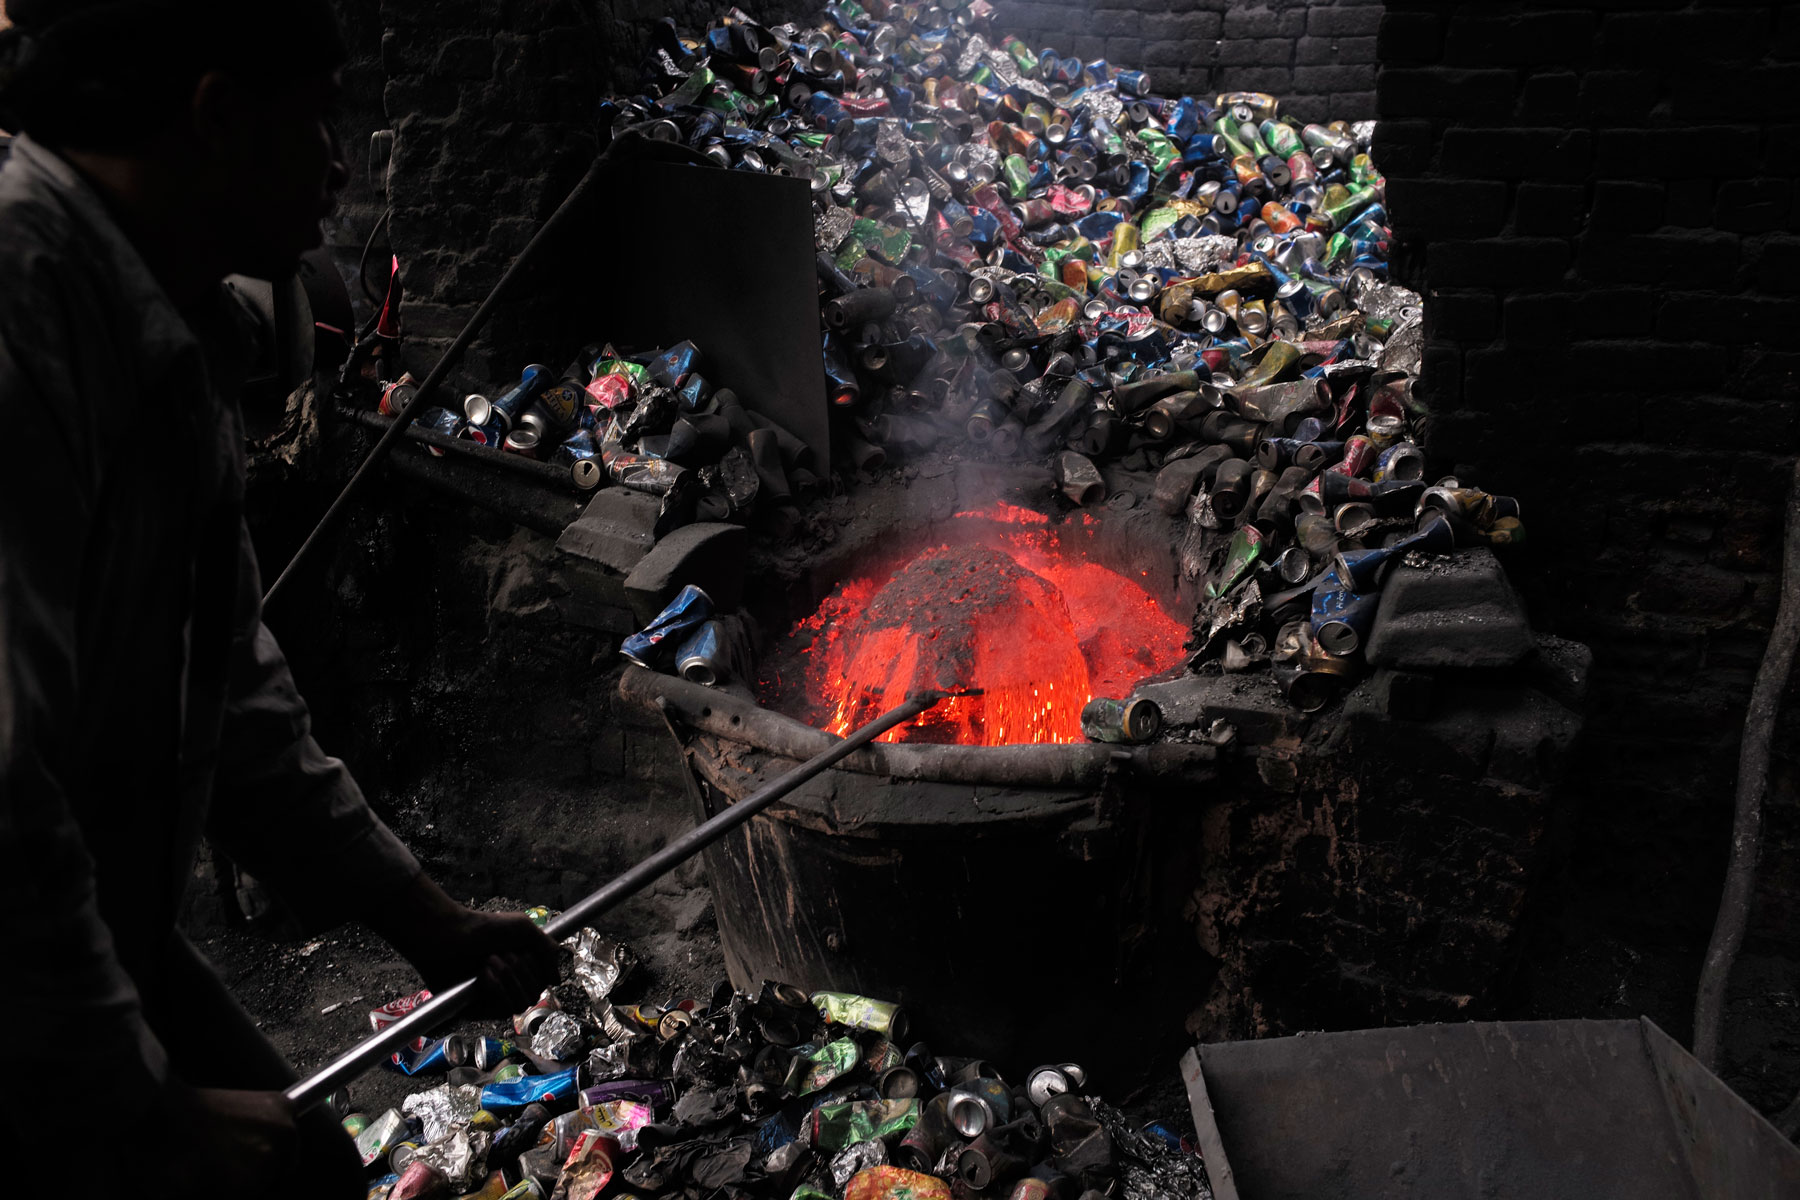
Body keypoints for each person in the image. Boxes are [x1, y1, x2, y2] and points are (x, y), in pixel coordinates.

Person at [0, 2, 560, 1194]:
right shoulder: (23, 317)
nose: (341, 160)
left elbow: (235, 701)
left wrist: (430, 921)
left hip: (97, 917)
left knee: (308, 1172)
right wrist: (137, 1110)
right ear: (217, 117)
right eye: (319, 120)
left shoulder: (168, 327)